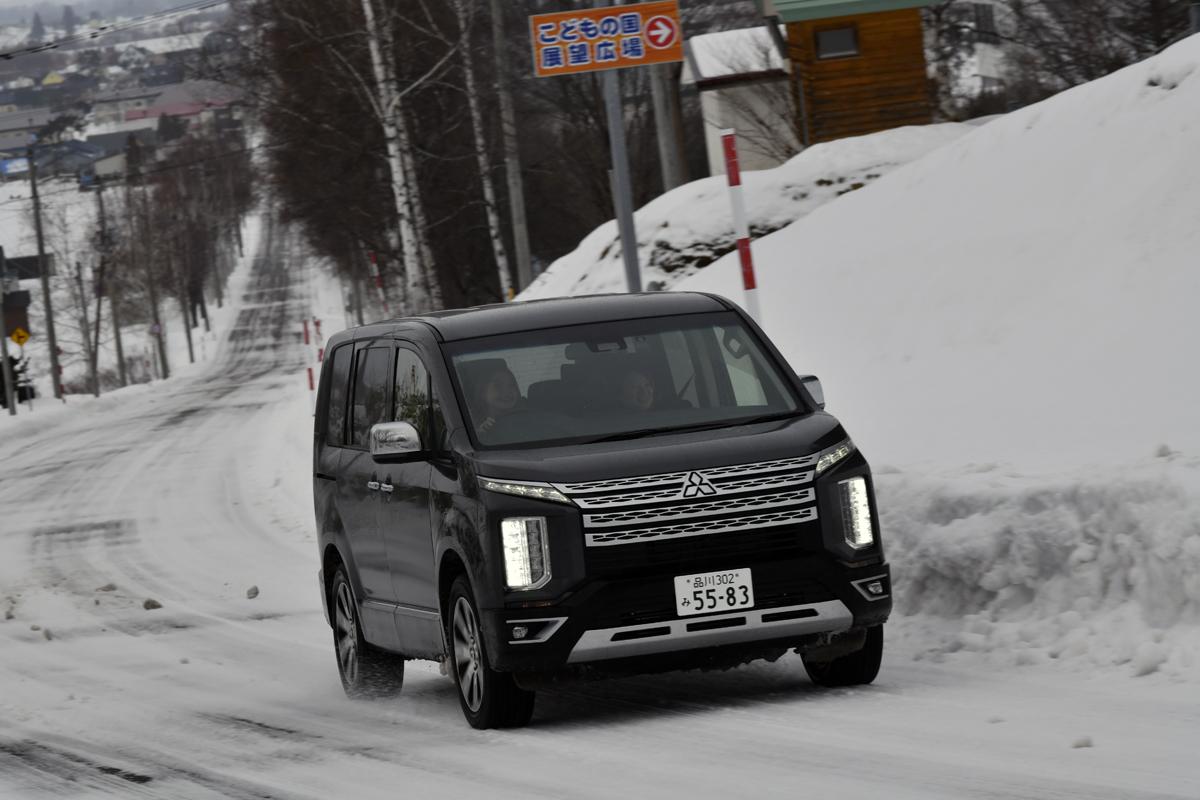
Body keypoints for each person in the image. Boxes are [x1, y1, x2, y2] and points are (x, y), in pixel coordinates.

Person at [476, 365, 523, 432]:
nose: (506, 391)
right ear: (482, 392)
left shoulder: (529, 418)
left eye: (511, 385)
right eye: (498, 385)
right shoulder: (470, 426)